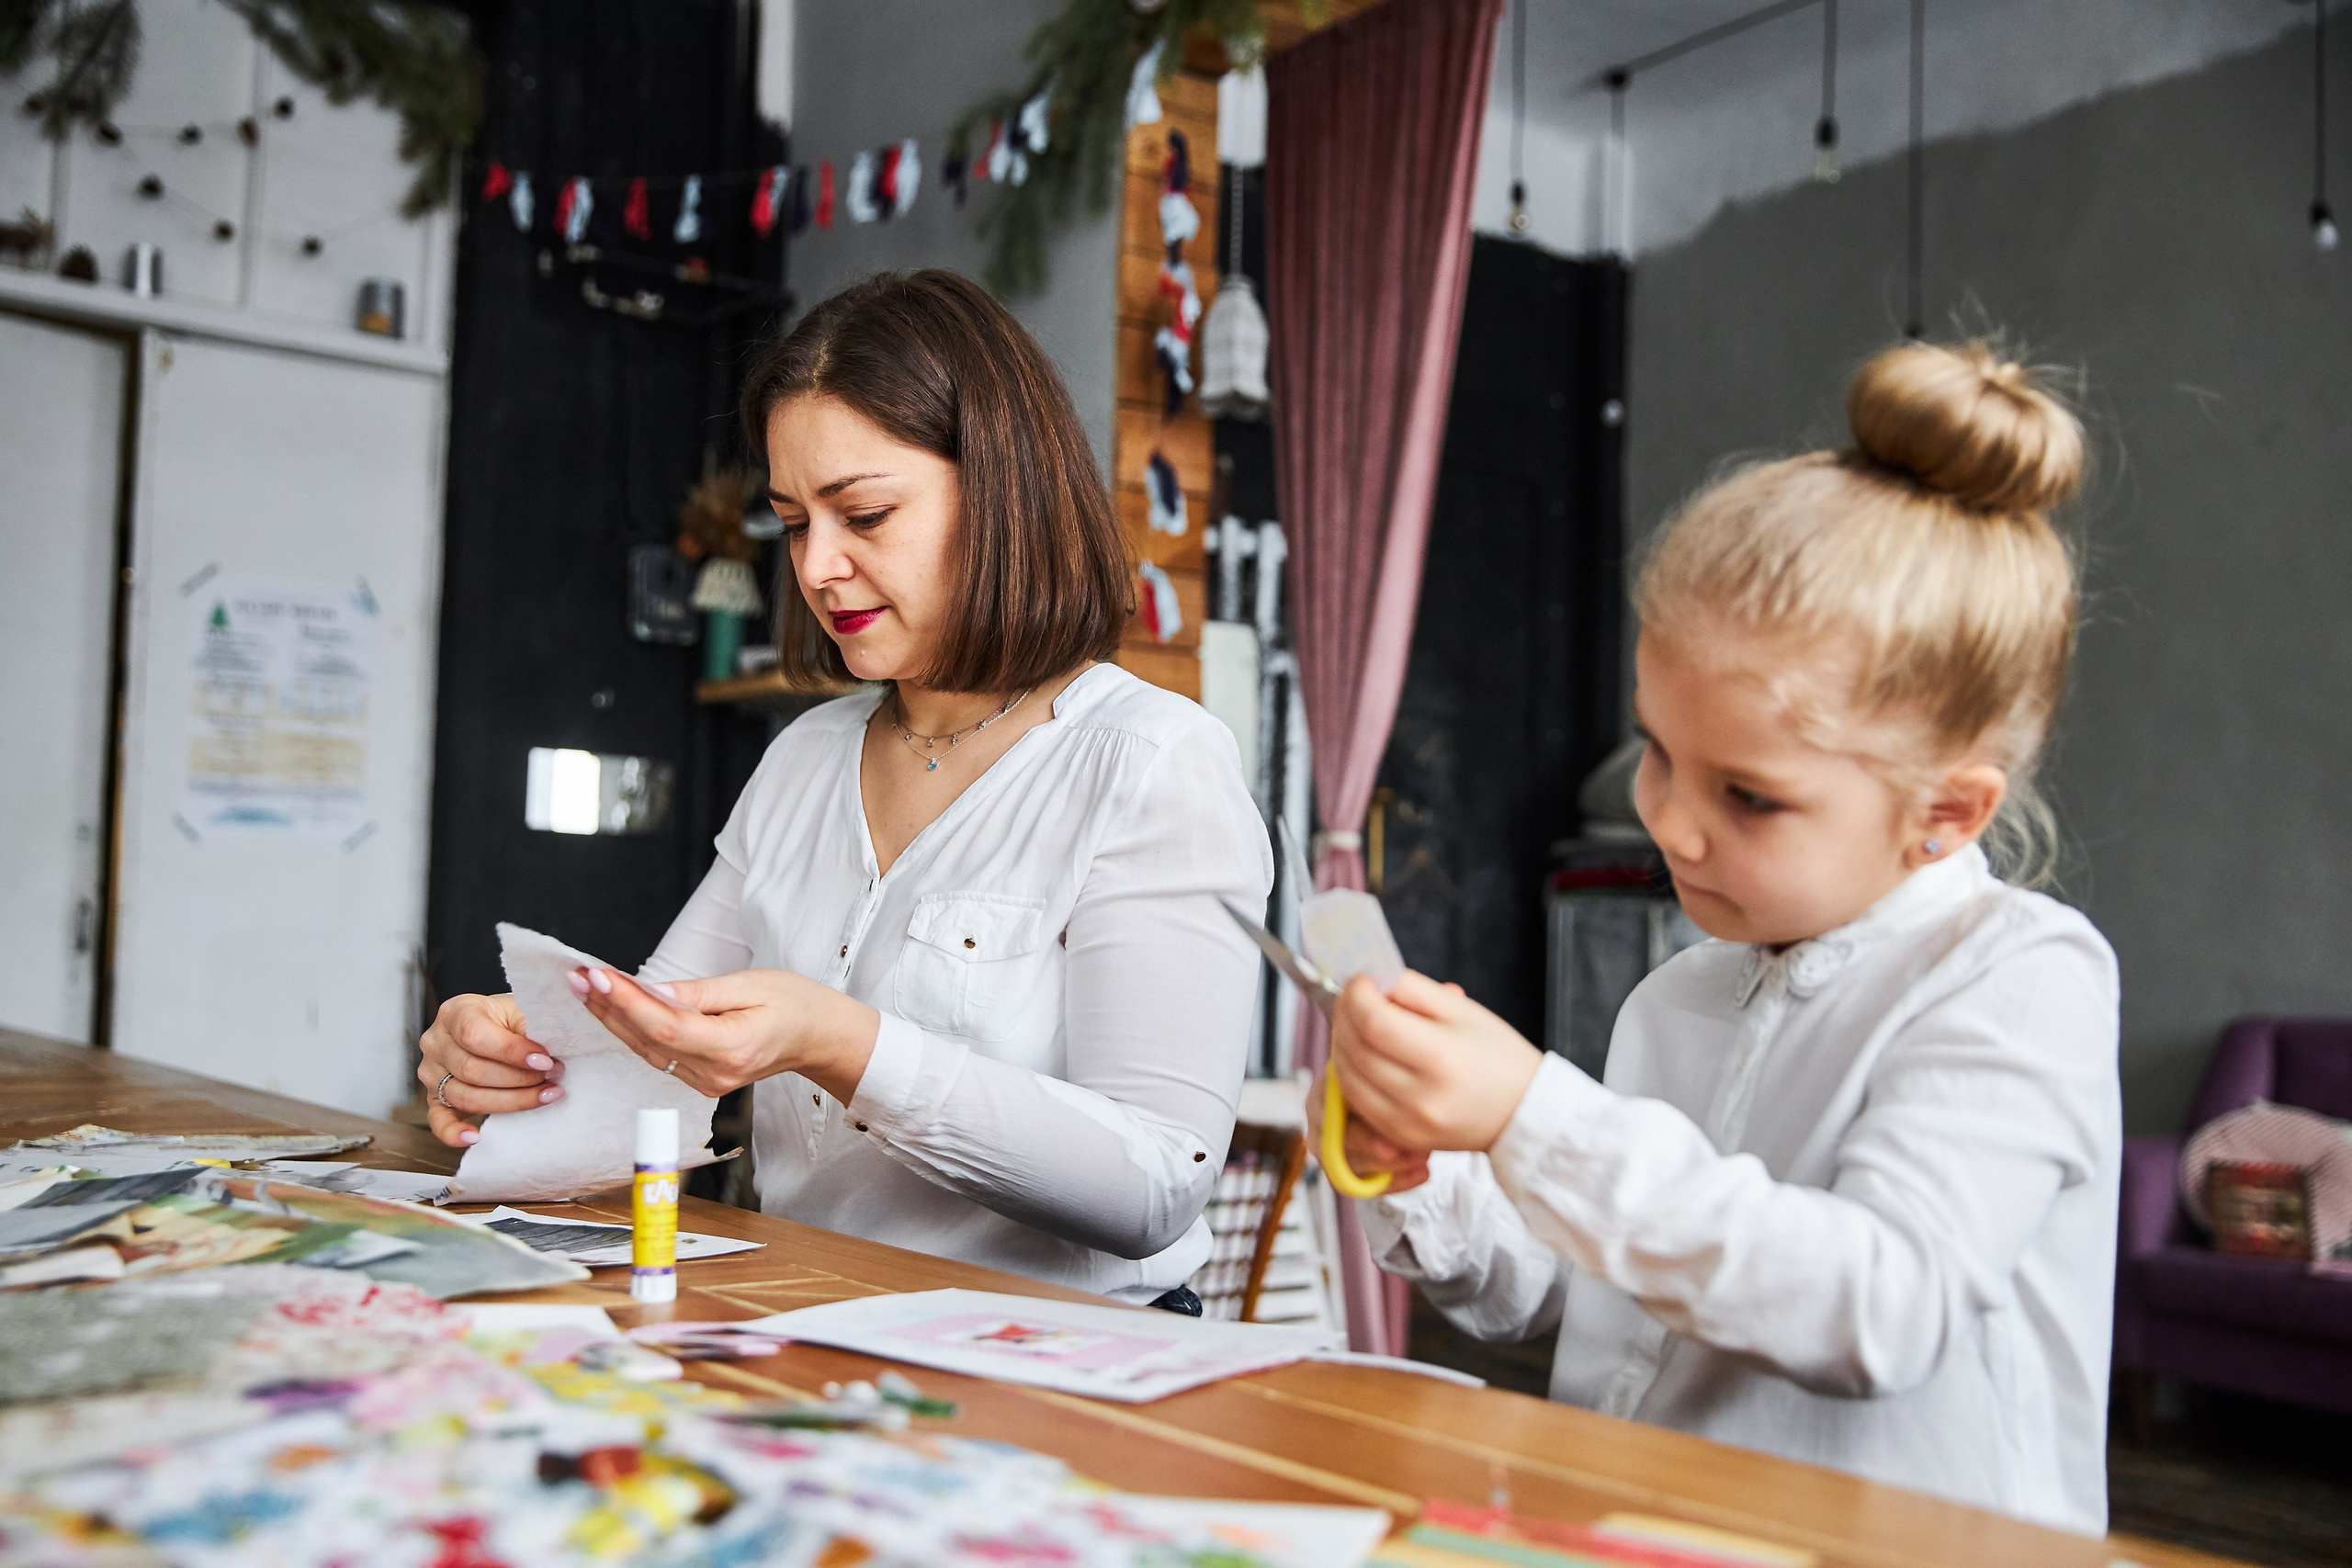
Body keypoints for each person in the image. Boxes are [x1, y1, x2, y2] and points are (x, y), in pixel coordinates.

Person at [1323, 341, 2120, 1534]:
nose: (1669, 822)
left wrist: (1531, 1110)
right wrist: (1432, 1167)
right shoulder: (1682, 996)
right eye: (1656, 747)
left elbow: (1876, 1304)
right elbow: (1583, 1295)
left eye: (1747, 795)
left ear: (1945, 811)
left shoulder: (2020, 977)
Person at [418, 270, 1272, 1309]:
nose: (818, 568)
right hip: (811, 1320)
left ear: (1003, 491)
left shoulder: (1149, 761)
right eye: (791, 522)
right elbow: (662, 1049)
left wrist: (838, 1041)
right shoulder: (806, 758)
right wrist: (519, 1056)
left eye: (863, 514)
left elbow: (1157, 1183)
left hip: (1064, 1361)